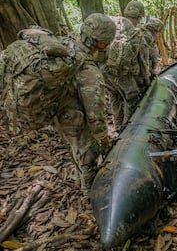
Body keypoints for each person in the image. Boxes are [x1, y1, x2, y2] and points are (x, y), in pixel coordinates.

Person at [2, 13, 116, 195]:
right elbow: (95, 113)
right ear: (100, 42)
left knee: (74, 149)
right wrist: (103, 140)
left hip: (55, 113)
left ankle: (80, 180)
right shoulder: (88, 69)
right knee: (88, 155)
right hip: (72, 118)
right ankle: (90, 194)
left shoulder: (65, 43)